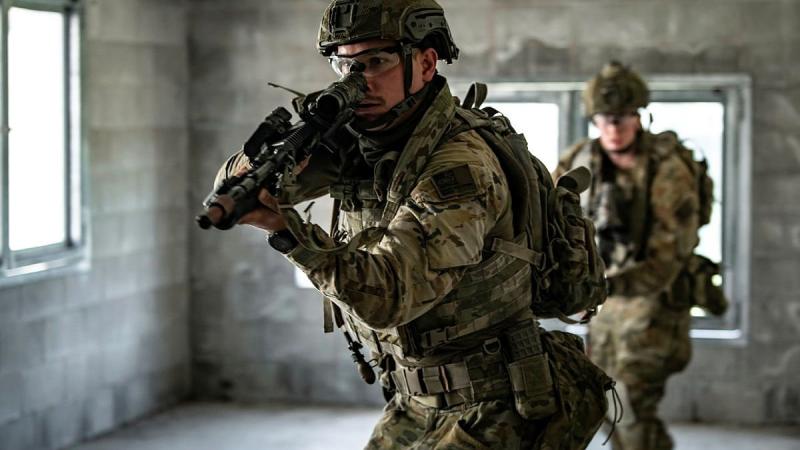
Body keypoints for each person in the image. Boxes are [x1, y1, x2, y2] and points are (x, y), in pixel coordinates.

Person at [213, 1, 607, 448]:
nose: (357, 81)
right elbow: (233, 190)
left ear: (425, 62)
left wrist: (287, 231)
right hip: (415, 401)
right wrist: (286, 148)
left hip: (496, 406)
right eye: (344, 65)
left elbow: (391, 295)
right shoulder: (366, 141)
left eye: (376, 61)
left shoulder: (459, 166)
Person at [554, 61, 711, 450]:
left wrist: (601, 286)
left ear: (639, 116)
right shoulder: (581, 160)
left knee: (632, 407)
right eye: (604, 118)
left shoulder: (667, 172)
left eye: (622, 118)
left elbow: (667, 260)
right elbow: (549, 219)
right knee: (611, 406)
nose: (613, 128)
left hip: (653, 309)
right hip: (605, 311)